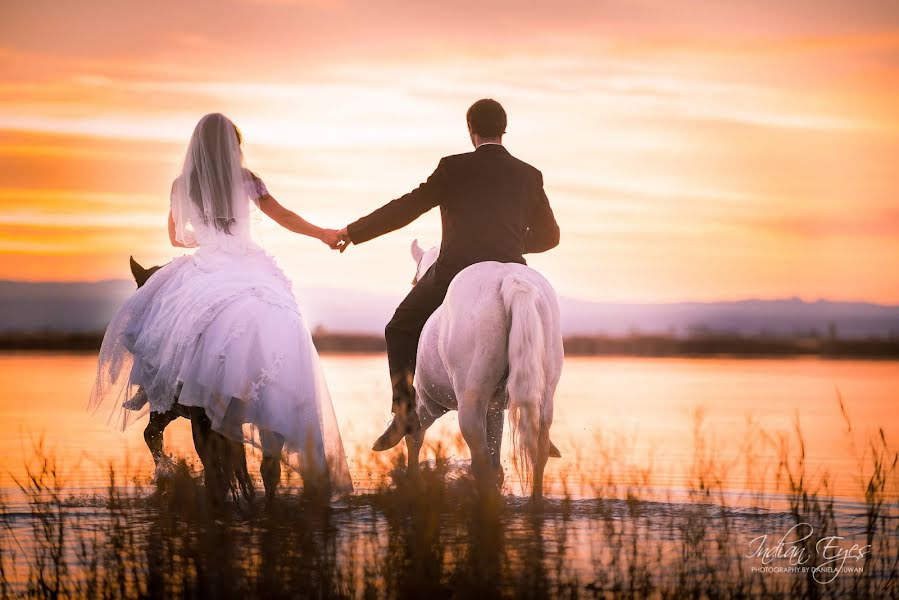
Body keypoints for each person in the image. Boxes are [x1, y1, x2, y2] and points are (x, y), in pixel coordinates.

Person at [90, 113, 352, 495]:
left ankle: (187, 406)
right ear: (233, 146)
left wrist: (205, 240)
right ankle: (272, 431)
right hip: (252, 270)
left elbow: (178, 238)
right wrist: (324, 234)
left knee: (164, 327)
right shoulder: (248, 180)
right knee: (280, 329)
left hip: (209, 268)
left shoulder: (182, 185)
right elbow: (285, 217)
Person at [337, 99, 560, 451]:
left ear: (470, 129)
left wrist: (354, 231)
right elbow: (551, 237)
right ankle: (540, 423)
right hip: (513, 268)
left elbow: (406, 208)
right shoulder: (529, 174)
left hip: (455, 268)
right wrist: (512, 243)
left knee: (399, 326)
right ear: (504, 129)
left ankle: (404, 413)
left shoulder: (452, 168)